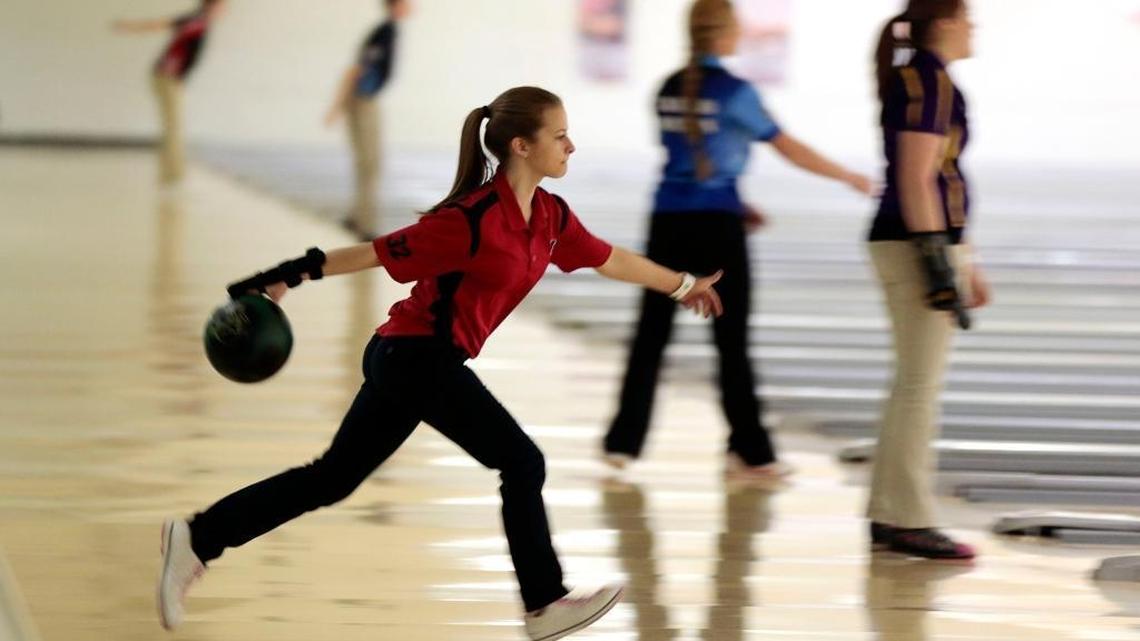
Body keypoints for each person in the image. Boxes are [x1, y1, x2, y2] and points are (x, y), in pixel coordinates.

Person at [157, 86, 727, 640]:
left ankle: (199, 537)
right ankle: (544, 602)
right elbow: (375, 252)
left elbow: (611, 259)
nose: (570, 146)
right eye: (559, 135)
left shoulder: (550, 217)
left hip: (413, 360)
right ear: (521, 146)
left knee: (331, 479)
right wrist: (281, 276)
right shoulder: (470, 219)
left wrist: (682, 286)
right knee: (521, 462)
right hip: (414, 356)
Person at [603, 0, 873, 479]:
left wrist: (736, 201)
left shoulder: (667, 87)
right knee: (730, 341)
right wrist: (848, 176)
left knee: (651, 336)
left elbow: (689, 157)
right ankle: (749, 451)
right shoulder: (736, 92)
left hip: (668, 220)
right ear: (725, 34)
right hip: (717, 227)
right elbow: (789, 148)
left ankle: (622, 444)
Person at [865, 0, 990, 560]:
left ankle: (892, 513)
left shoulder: (924, 78)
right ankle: (908, 519)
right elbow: (917, 178)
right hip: (913, 244)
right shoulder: (928, 80)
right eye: (968, 17)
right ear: (944, 22)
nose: (974, 27)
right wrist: (938, 264)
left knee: (912, 384)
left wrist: (967, 259)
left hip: (921, 242)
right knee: (919, 387)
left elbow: (941, 178)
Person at [112, 0, 226, 185]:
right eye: (221, 6)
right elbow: (158, 25)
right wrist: (129, 27)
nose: (223, 11)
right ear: (210, 6)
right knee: (173, 126)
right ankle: (173, 173)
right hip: (167, 77)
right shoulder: (195, 22)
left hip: (171, 78)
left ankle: (171, 172)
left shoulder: (200, 23)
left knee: (172, 126)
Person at [325, 0, 412, 240]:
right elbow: (357, 69)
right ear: (395, 5)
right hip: (363, 100)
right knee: (371, 163)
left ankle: (358, 217)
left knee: (367, 162)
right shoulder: (385, 32)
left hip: (364, 99)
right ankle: (364, 223)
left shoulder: (387, 31)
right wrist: (338, 104)